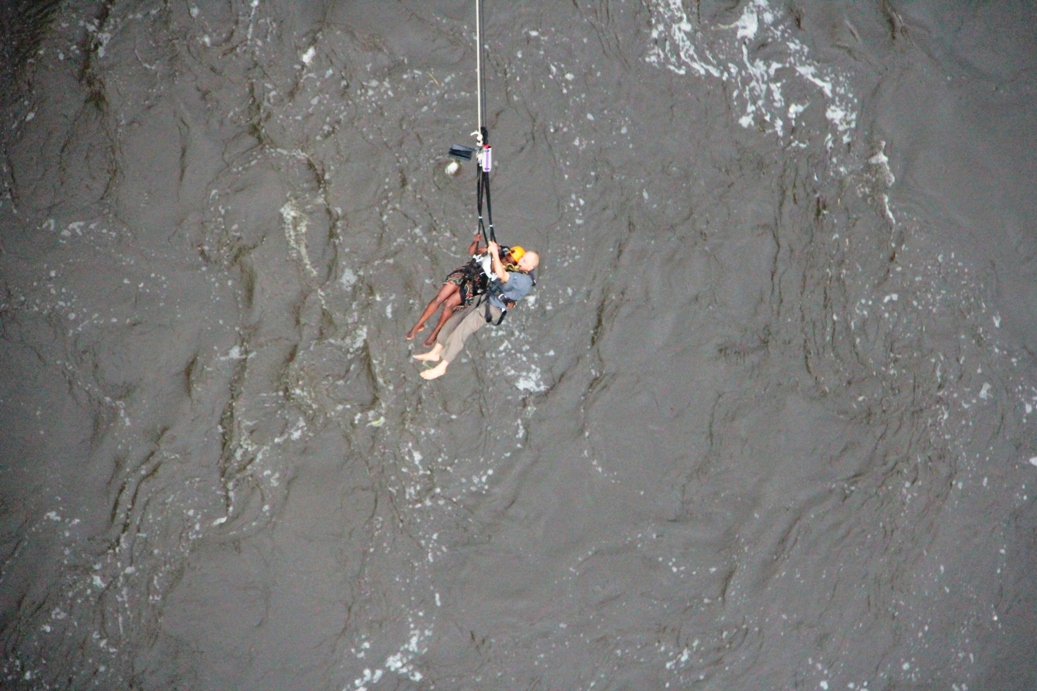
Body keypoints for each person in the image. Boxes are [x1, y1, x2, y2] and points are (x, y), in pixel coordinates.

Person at [414, 240, 539, 380]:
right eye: (522, 258)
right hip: (485, 298)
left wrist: (494, 254)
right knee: (455, 319)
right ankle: (436, 351)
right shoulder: (521, 270)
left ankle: (442, 366)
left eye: (524, 261)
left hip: (492, 307)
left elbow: (502, 274)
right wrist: (497, 251)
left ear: (531, 267)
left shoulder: (523, 280)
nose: (520, 261)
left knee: (462, 331)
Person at [405, 233, 523, 347]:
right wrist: (476, 242)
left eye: (509, 261)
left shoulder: (508, 274)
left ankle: (435, 332)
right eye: (507, 257)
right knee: (440, 297)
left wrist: (510, 301)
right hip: (467, 272)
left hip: (475, 285)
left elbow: (507, 289)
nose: (505, 260)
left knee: (449, 304)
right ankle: (418, 325)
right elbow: (473, 252)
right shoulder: (497, 250)